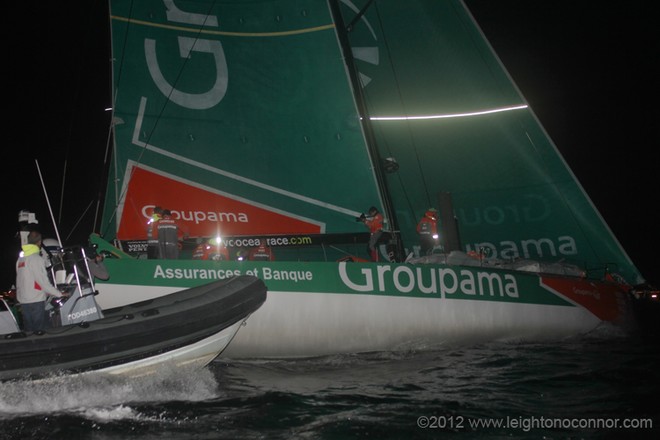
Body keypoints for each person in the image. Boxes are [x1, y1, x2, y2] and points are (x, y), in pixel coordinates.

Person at [15, 231, 66, 332]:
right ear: (39, 243)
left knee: (29, 329)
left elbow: (20, 279)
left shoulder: (20, 260)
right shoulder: (36, 259)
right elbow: (43, 282)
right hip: (36, 300)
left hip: (24, 300)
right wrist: (60, 294)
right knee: (40, 330)